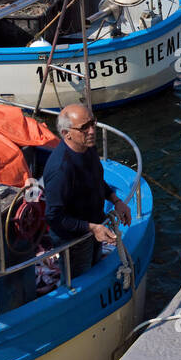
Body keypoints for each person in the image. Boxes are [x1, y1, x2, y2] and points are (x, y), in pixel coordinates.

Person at [41, 104, 133, 278]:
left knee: (94, 267)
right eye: (84, 128)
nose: (92, 131)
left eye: (93, 123)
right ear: (66, 133)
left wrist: (117, 201)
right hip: (74, 240)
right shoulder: (61, 170)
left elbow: (96, 180)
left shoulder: (88, 147)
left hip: (94, 226)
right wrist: (91, 228)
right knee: (79, 278)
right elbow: (54, 217)